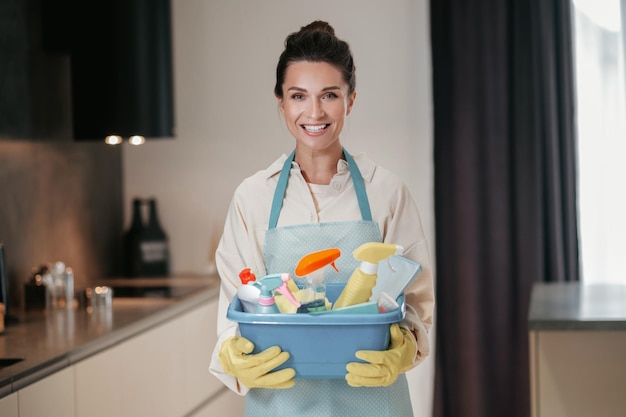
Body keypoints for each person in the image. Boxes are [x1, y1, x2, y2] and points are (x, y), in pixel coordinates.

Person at [209, 20, 434, 417]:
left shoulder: (387, 192)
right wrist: (232, 351)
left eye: (329, 95)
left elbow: (416, 302)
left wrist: (405, 345)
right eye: (299, 96)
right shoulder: (253, 198)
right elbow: (235, 307)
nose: (314, 112)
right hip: (282, 405)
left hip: (375, 404)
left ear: (350, 100)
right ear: (281, 103)